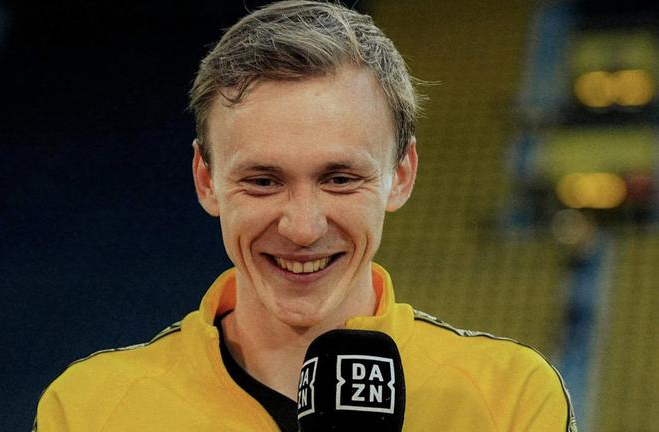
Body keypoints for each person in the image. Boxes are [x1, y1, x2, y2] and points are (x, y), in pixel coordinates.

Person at [35, 1, 577, 431]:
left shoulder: (510, 399)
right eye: (262, 181)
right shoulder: (88, 410)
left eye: (339, 179)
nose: (302, 228)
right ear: (205, 180)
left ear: (401, 174)